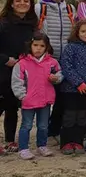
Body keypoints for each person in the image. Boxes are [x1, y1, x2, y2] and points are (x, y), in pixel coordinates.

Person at [11, 32, 62, 160]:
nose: (38, 48)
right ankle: (23, 148)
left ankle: (42, 145)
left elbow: (60, 73)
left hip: (45, 100)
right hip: (29, 101)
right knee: (26, 125)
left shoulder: (52, 62)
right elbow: (17, 81)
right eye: (35, 45)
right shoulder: (22, 63)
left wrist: (56, 78)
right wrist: (23, 96)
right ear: (30, 45)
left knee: (43, 125)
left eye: (42, 46)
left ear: (47, 47)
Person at [0, 0, 38, 155]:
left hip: (20, 72)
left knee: (12, 107)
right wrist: (5, 59)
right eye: (18, 0)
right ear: (11, 3)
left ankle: (10, 140)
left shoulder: (32, 25)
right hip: (3, 70)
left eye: (26, 1)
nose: (22, 3)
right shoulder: (3, 23)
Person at [59, 19, 86, 154]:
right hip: (71, 89)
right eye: (83, 31)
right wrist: (78, 83)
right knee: (70, 116)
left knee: (82, 116)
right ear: (77, 32)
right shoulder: (71, 47)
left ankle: (78, 142)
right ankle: (66, 143)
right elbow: (66, 66)